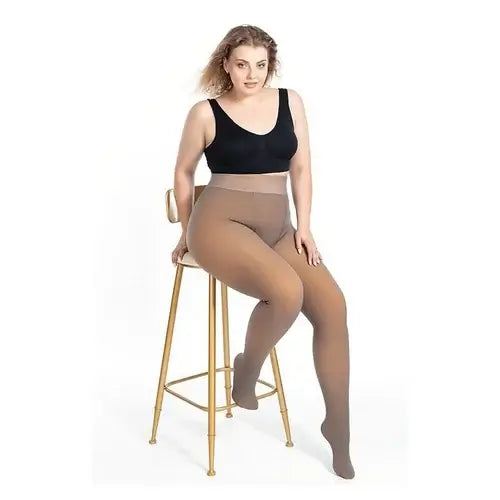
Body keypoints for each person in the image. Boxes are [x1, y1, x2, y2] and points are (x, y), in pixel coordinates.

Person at [170, 24, 355, 480]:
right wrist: (186, 233)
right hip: (219, 224)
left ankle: (338, 427)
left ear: (270, 65)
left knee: (333, 306)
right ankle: (246, 370)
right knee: (286, 292)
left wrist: (304, 228)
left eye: (260, 65)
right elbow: (183, 171)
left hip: (279, 226)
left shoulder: (291, 102)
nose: (251, 74)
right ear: (226, 65)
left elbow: (302, 168)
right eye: (241, 65)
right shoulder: (206, 112)